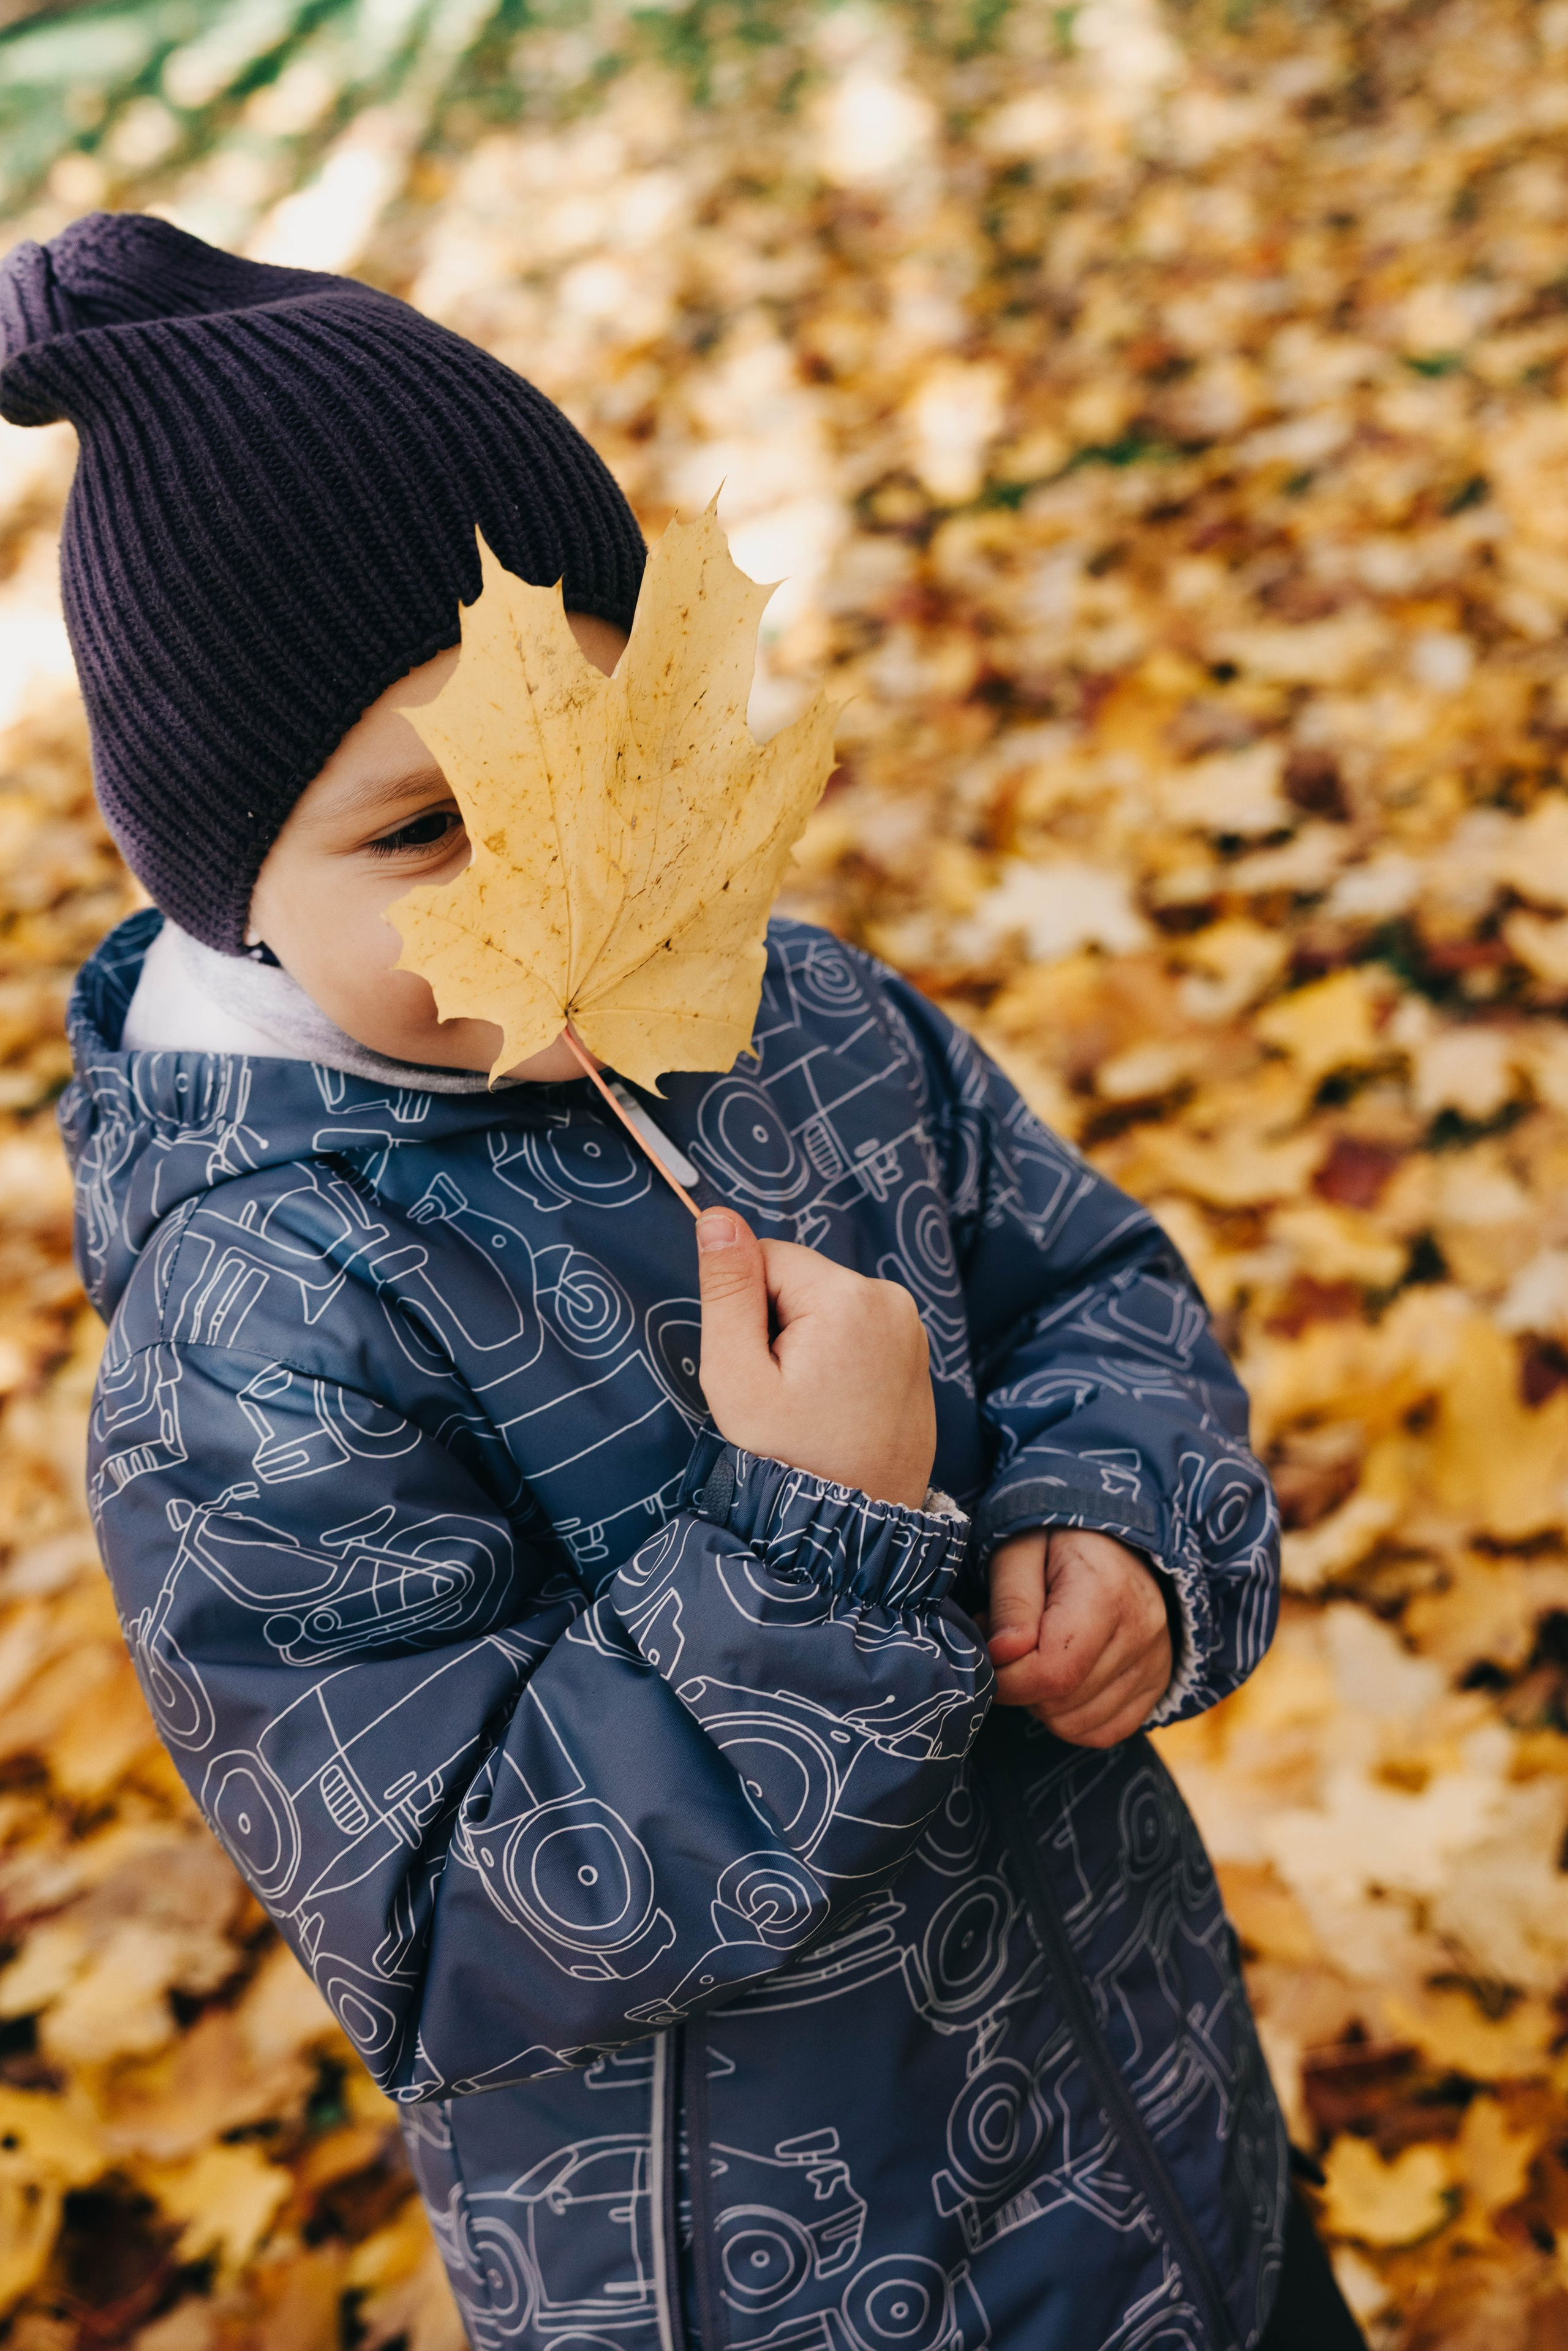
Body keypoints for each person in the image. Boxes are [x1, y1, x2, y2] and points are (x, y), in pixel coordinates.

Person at [1, 211, 1363, 2351]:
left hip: (1163, 2147)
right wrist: (811, 1557)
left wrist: (1125, 1527)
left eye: (603, 756)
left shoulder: (809, 1018)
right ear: (232, 899)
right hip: (779, 2291)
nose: (558, 868)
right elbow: (451, 1931)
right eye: (429, 832)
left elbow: (1094, 1287)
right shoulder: (255, 1333)